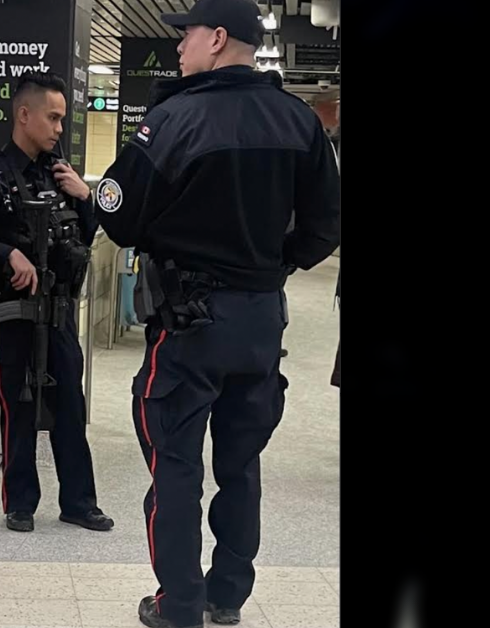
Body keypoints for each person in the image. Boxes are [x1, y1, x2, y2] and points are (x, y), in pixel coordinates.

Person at [95, 0, 341, 626]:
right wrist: (273, 267)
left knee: (175, 467)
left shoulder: (175, 119)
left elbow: (119, 216)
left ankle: (178, 604)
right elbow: (326, 225)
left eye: (188, 35)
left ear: (218, 38)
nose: (179, 47)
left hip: (188, 323)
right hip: (261, 322)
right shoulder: (299, 120)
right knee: (241, 465)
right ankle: (227, 597)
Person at [0, 72, 114, 534]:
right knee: (18, 409)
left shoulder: (63, 175)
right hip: (14, 315)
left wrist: (85, 199)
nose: (60, 128)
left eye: (63, 118)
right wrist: (5, 254)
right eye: (53, 117)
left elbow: (86, 236)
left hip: (59, 314)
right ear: (25, 115)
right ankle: (20, 503)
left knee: (70, 412)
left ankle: (79, 503)